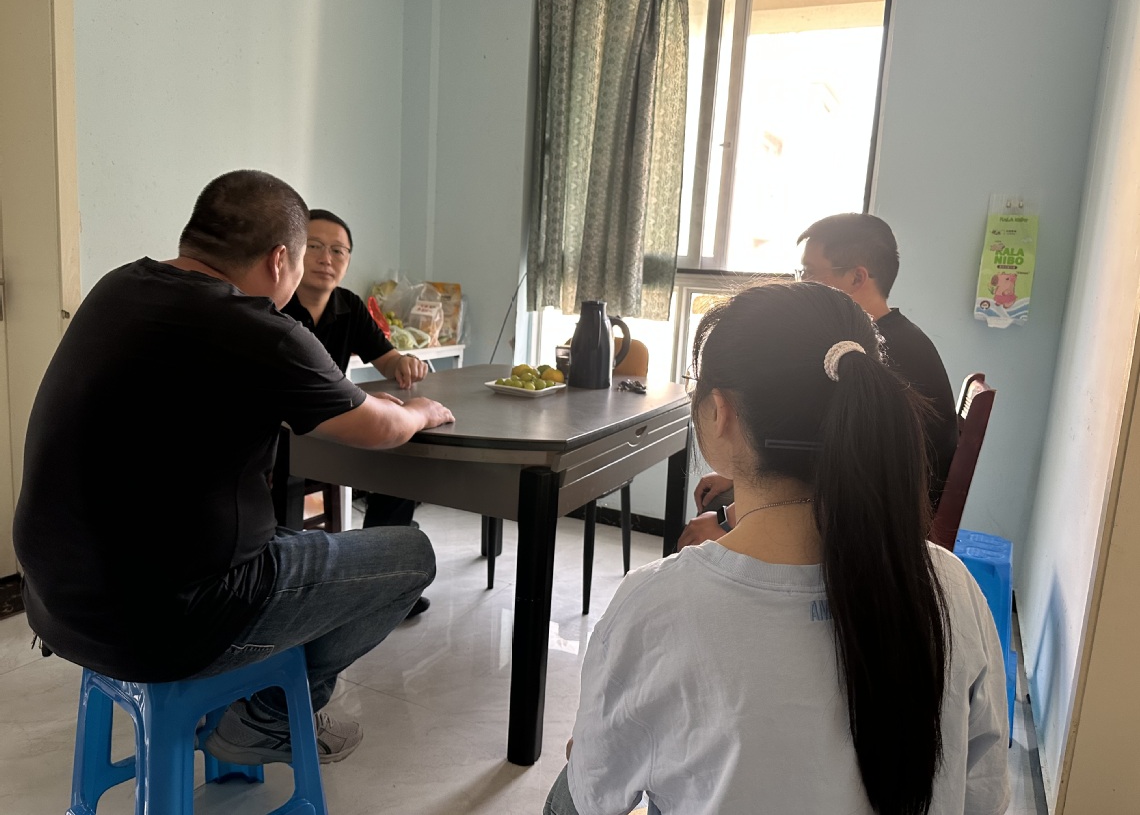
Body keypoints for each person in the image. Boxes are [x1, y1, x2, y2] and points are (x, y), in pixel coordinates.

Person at [14, 170, 454, 766]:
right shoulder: (259, 329)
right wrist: (422, 411)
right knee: (412, 556)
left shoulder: (118, 286)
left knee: (296, 540)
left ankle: (249, 693)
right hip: (170, 619)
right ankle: (266, 718)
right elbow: (380, 428)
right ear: (280, 260)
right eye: (306, 255)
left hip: (55, 600)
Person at [544, 281, 1009, 815]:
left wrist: (590, 755)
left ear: (720, 413)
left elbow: (591, 796)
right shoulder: (951, 587)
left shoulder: (655, 607)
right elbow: (984, 794)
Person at [683, 211, 959, 549]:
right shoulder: (882, 344)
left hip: (872, 517)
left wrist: (728, 521)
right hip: (870, 498)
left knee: (713, 510)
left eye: (809, 272)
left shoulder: (883, 357)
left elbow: (848, 467)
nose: (800, 283)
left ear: (857, 277)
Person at [280, 208, 432, 617]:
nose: (325, 258)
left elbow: (386, 358)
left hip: (333, 428)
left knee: (400, 458)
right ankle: (289, 594)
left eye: (338, 250)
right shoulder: (274, 303)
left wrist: (403, 363)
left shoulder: (348, 305)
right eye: (314, 246)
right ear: (293, 250)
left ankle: (385, 584)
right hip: (284, 431)